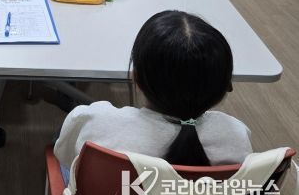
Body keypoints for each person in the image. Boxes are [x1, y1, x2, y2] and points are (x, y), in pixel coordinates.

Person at [54, 10, 251, 183]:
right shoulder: (237, 135)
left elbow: (66, 158)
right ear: (224, 87)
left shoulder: (93, 121)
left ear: (136, 78)